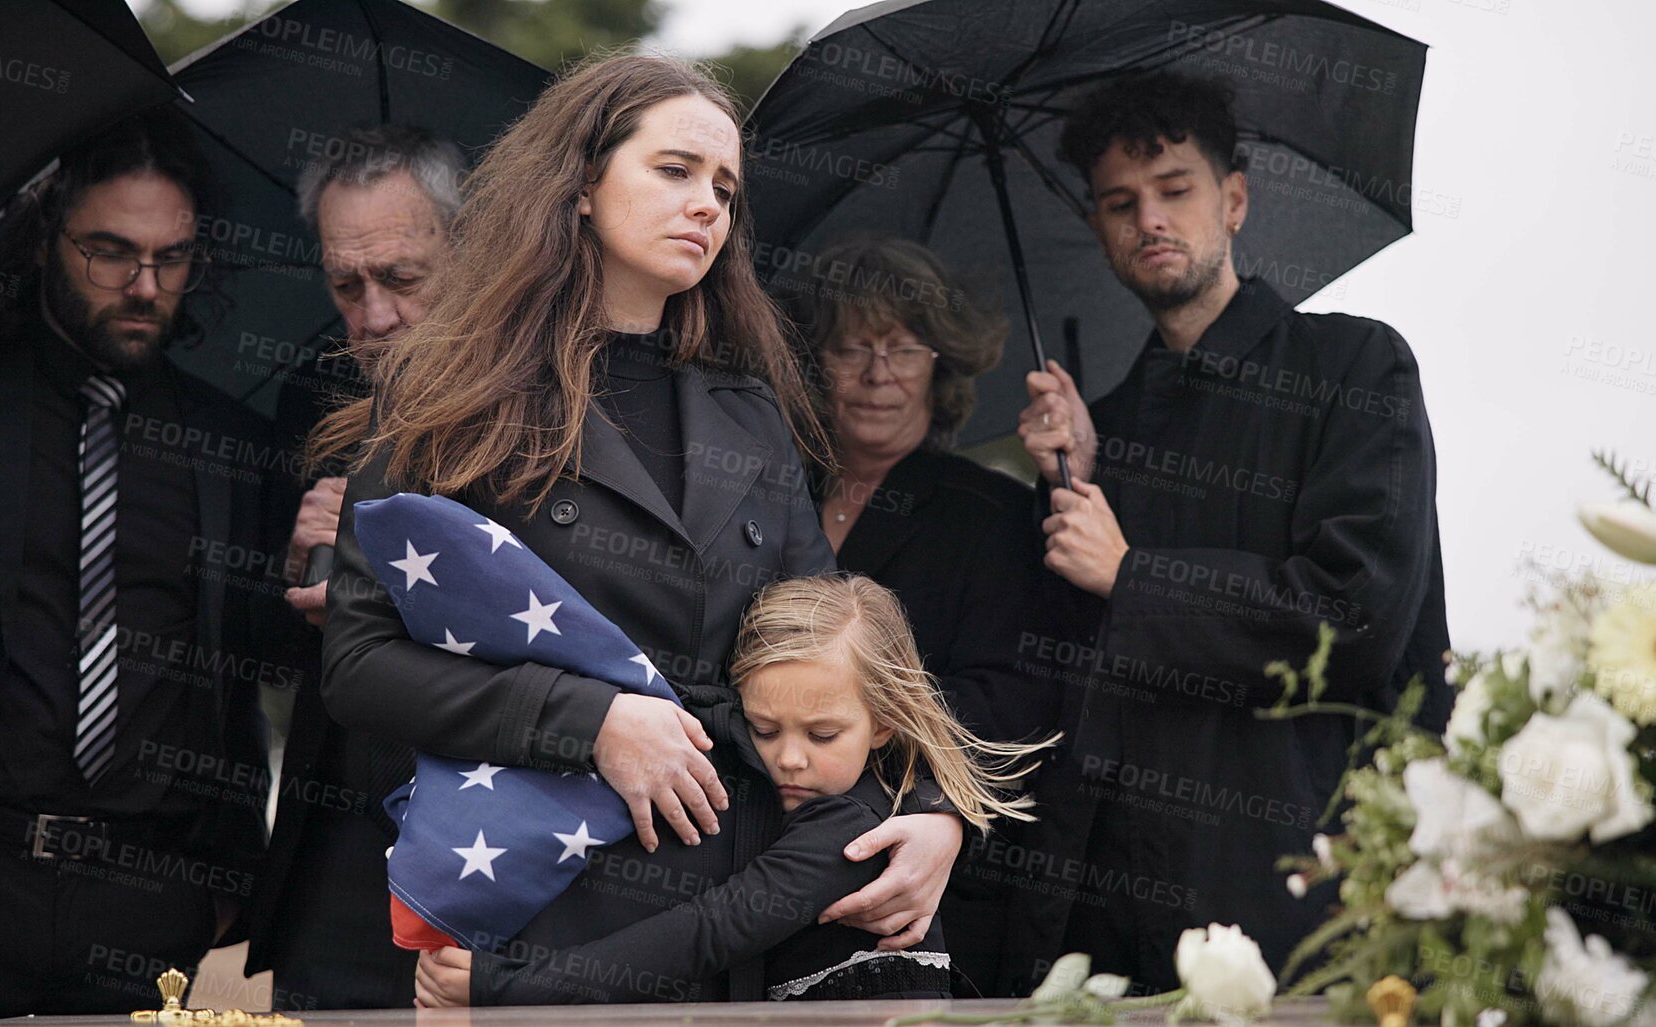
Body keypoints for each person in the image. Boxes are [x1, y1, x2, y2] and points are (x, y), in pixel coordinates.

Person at [313, 53, 966, 1005]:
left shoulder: (751, 409)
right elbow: (358, 663)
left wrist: (936, 813)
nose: (707, 203)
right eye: (674, 170)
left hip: (744, 897)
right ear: (579, 183)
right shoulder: (447, 393)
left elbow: (840, 650)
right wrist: (594, 721)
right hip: (557, 892)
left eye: (725, 187)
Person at [1006, 72, 1452, 993]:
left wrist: (1134, 575)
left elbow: (1354, 616)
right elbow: (1064, 672)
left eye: (1175, 189)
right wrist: (1075, 475)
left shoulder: (1353, 365)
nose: (1149, 220)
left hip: (1314, 894)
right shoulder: (1110, 424)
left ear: (1234, 200)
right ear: (1098, 226)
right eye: (1120, 202)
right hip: (1118, 919)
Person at [0, 110, 270, 1018]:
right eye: (109, 252)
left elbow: (245, 669)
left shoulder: (229, 442)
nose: (142, 285)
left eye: (170, 260)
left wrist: (227, 872)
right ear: (47, 237)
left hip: (154, 897)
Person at [418, 575, 1052, 1006]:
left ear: (883, 722)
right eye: (763, 728)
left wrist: (507, 989)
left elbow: (707, 933)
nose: (789, 759)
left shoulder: (855, 830)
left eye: (824, 734)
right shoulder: (766, 759)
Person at [788, 235, 1065, 995]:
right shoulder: (775, 497)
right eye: (851, 348)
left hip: (926, 873)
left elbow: (1010, 695)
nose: (879, 374)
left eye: (903, 349)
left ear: (938, 364)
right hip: (773, 860)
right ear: (818, 363)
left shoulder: (991, 512)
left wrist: (858, 729)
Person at [244, 123, 466, 1012]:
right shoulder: (315, 391)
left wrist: (396, 583)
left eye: (402, 279)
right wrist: (296, 571)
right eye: (347, 285)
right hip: (336, 835)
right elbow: (246, 646)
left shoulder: (550, 395)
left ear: (470, 247)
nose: (373, 317)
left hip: (493, 823)